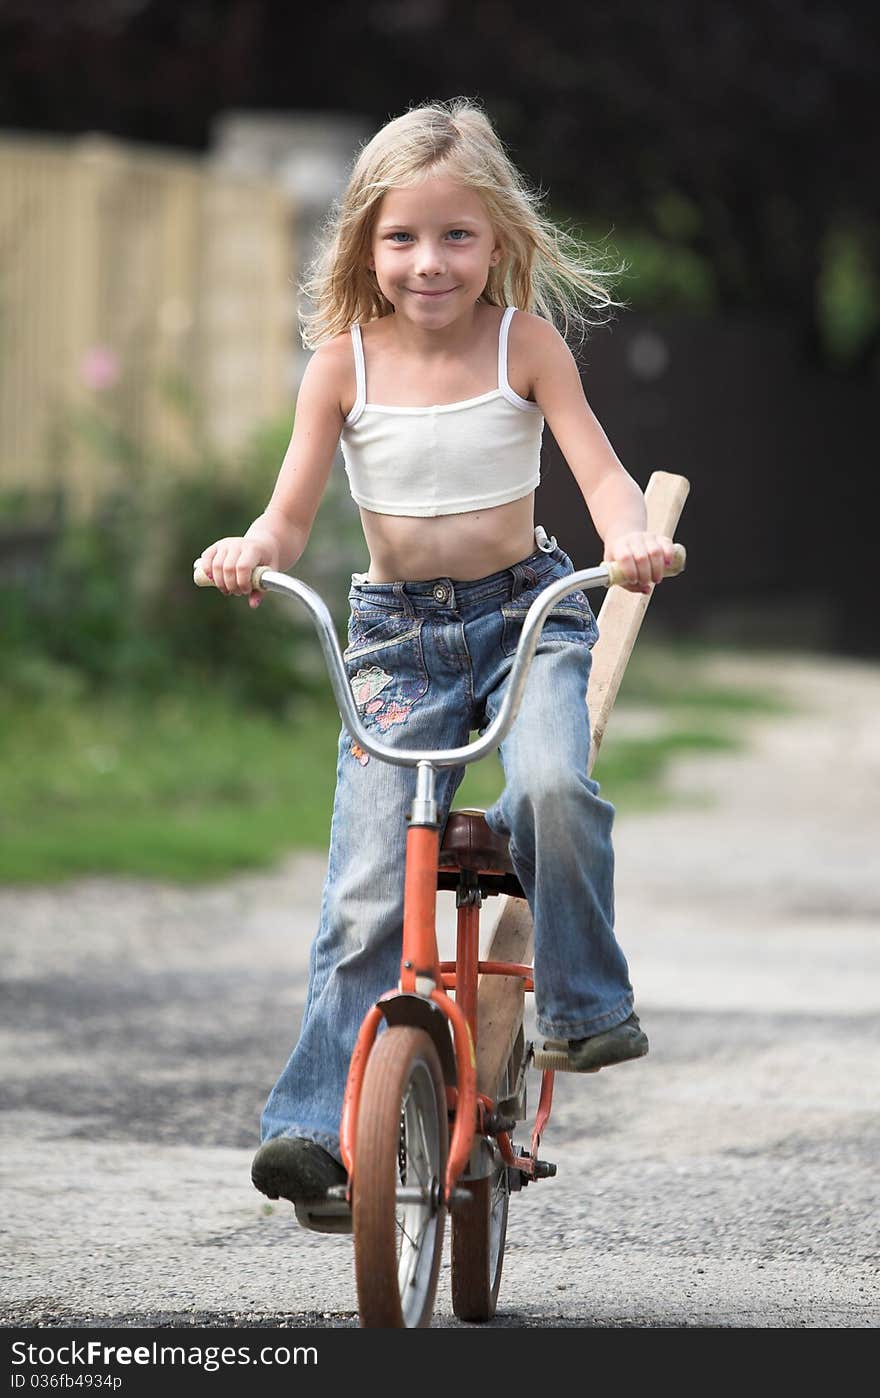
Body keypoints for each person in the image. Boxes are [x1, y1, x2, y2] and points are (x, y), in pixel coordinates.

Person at [197, 98, 676, 1208]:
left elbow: (601, 477)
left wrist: (630, 538)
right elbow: (287, 519)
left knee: (555, 783)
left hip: (527, 617)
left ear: (498, 239)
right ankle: (315, 1125)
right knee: (365, 890)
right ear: (366, 242)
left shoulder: (527, 345)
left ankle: (583, 1007)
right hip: (398, 647)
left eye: (456, 235)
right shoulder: (339, 367)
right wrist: (246, 550)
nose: (430, 261)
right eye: (403, 237)